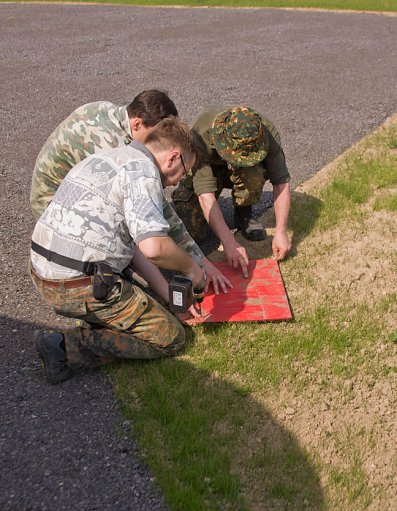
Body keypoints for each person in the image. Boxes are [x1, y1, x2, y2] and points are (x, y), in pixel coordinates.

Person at [31, 118, 206, 385]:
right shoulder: (143, 173)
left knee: (153, 306)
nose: (179, 181)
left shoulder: (108, 157)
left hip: (42, 269)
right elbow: (154, 247)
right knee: (170, 337)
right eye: (185, 170)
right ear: (173, 157)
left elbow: (134, 248)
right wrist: (192, 268)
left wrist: (170, 297)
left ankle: (100, 320)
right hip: (75, 285)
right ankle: (63, 348)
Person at [30, 90, 230, 294]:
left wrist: (200, 260)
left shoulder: (111, 114)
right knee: (127, 239)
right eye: (156, 134)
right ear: (137, 124)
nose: (160, 140)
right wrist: (177, 280)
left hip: (68, 196)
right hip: (54, 204)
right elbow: (157, 215)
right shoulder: (114, 148)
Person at [172, 105, 292, 277]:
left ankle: (244, 213)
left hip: (243, 172)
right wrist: (229, 242)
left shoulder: (266, 133)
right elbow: (206, 195)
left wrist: (281, 231)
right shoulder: (200, 134)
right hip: (208, 167)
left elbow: (281, 182)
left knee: (254, 173)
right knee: (193, 234)